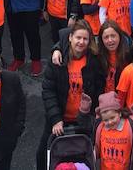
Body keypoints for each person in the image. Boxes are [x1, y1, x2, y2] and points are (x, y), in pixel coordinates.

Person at [40, 21, 104, 170]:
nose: (81, 42)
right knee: (44, 154)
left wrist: (94, 114)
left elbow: (98, 88)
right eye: (78, 38)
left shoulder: (93, 61)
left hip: (83, 119)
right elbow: (48, 90)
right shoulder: (58, 60)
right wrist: (56, 119)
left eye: (85, 39)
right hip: (60, 118)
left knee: (84, 156)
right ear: (70, 37)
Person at [93, 91, 133, 170]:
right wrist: (83, 111)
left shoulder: (130, 126)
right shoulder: (100, 127)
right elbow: (86, 130)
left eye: (112, 117)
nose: (110, 122)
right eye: (106, 120)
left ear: (119, 113)